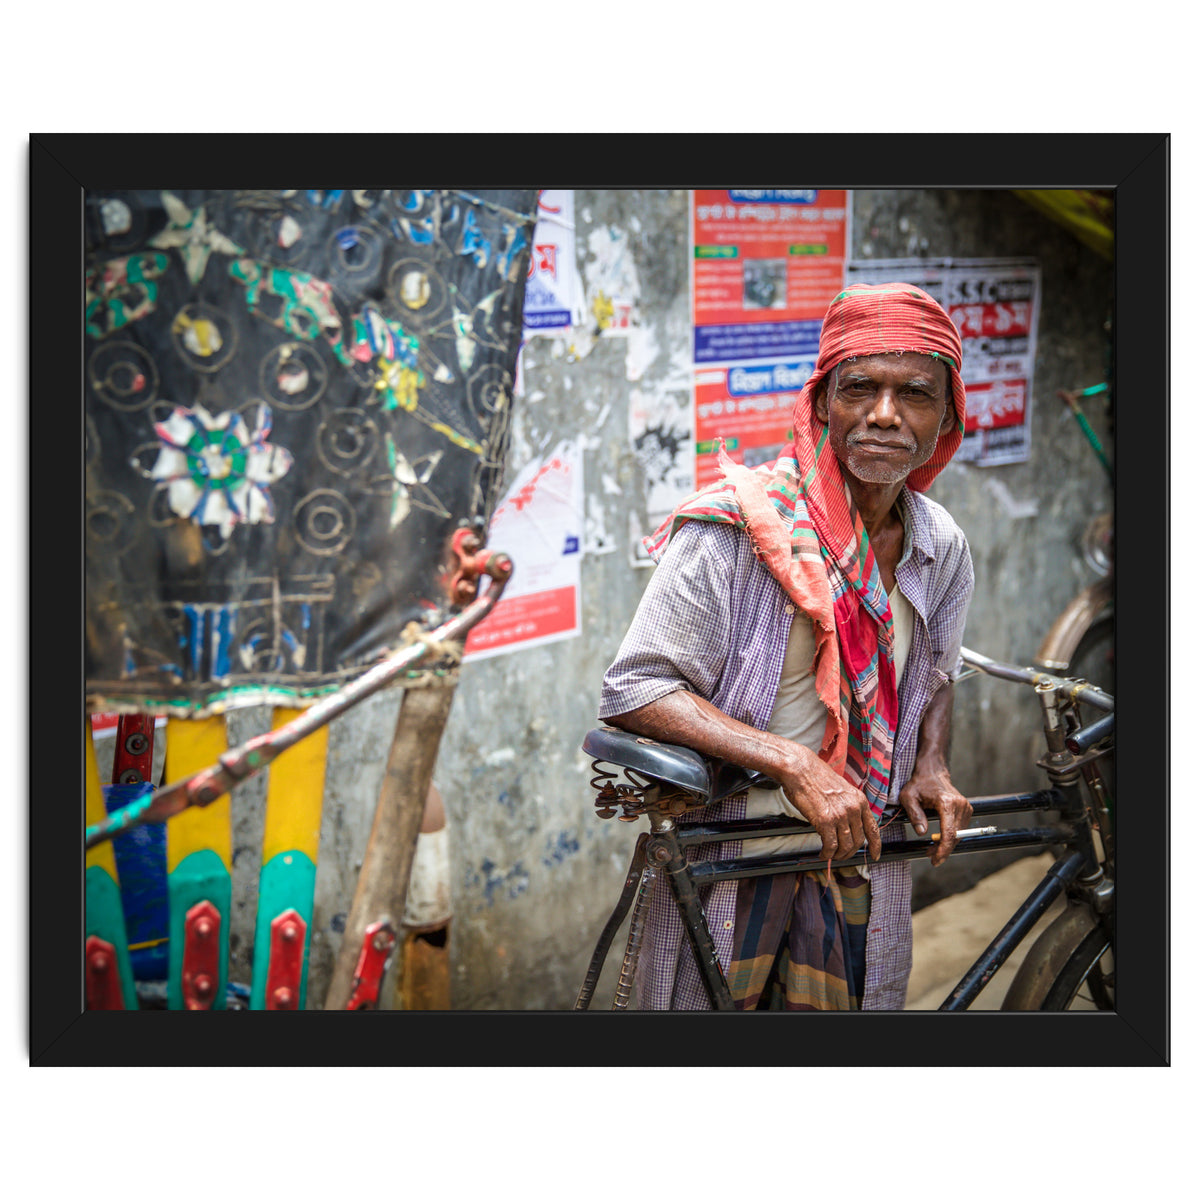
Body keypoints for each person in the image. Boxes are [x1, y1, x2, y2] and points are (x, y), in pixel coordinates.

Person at [599, 282, 975, 1010]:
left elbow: (936, 670)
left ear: (948, 417)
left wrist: (931, 762)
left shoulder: (939, 544)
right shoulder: (737, 531)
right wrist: (795, 763)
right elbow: (636, 689)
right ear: (823, 403)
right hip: (735, 857)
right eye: (860, 388)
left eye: (915, 394)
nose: (885, 414)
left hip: (860, 852)